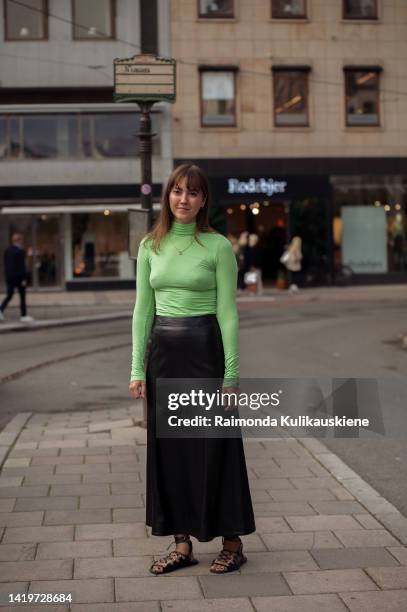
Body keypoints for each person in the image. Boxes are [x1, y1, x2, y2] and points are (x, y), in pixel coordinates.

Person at [129, 163, 255, 575]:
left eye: (193, 193)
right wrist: (136, 369)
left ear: (204, 201)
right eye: (177, 191)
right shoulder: (150, 245)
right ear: (168, 196)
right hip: (163, 355)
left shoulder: (218, 246)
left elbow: (228, 313)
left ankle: (232, 543)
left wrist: (231, 374)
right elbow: (142, 311)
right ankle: (181, 544)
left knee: (213, 445)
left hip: (205, 352)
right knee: (171, 451)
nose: (183, 199)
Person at [0, 233, 33, 323]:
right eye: (21, 240)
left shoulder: (7, 250)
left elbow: (6, 264)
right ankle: (24, 315)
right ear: (19, 240)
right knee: (22, 296)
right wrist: (24, 278)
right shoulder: (20, 251)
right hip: (19, 278)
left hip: (10, 277)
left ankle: (1, 310)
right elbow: (22, 266)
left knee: (9, 295)